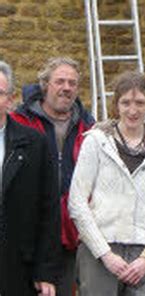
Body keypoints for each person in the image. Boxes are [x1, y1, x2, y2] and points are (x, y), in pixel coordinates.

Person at [68, 71, 145, 295]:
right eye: (125, 102)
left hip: (143, 252)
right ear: (116, 104)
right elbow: (77, 202)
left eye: (139, 102)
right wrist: (105, 254)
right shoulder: (96, 142)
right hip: (100, 249)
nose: (133, 110)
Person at [10, 57, 95, 295]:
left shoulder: (89, 129)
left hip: (71, 235)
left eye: (72, 83)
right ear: (45, 85)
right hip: (26, 235)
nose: (66, 87)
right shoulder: (20, 122)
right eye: (60, 81)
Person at [0, 61, 60, 295]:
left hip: (17, 265)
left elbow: (48, 209)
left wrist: (44, 271)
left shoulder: (35, 143)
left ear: (10, 99)